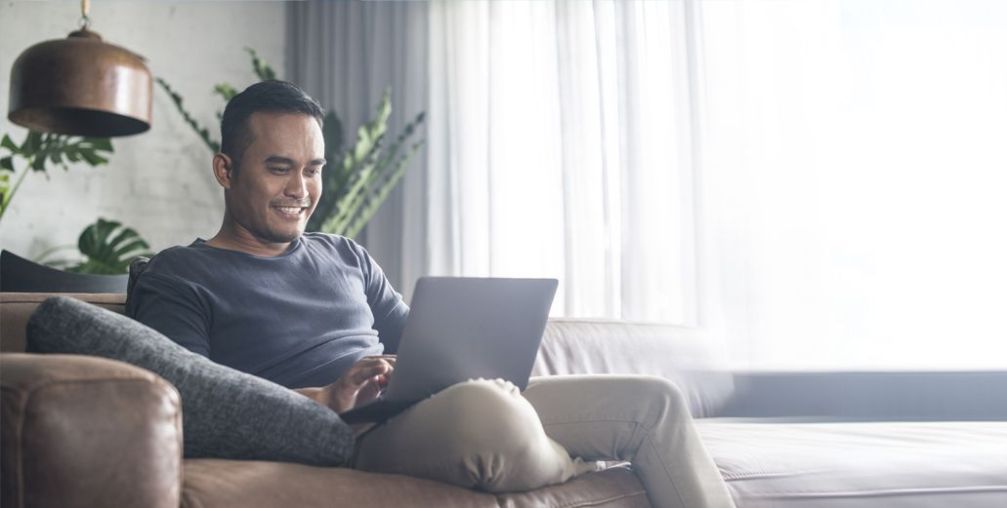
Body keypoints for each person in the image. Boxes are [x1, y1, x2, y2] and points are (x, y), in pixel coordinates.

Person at [127, 80, 733, 508]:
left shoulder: (345, 254)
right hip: (348, 434)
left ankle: (534, 438)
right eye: (280, 167)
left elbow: (427, 348)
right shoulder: (179, 276)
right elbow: (189, 406)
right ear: (226, 169)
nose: (301, 189)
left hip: (429, 409)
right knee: (490, 414)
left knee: (652, 401)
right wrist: (324, 396)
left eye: (314, 168)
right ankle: (571, 459)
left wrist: (449, 365)